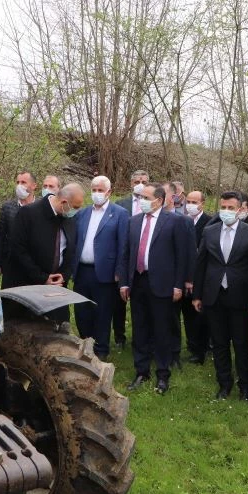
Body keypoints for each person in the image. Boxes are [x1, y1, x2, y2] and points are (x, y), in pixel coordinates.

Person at [193, 191, 248, 402]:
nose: (226, 211)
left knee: (243, 344)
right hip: (214, 296)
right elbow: (201, 263)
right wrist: (197, 295)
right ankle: (224, 384)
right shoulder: (210, 231)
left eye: (231, 208)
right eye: (223, 207)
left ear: (241, 209)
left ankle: (245, 387)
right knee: (220, 343)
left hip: (241, 299)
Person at [119, 183, 186, 395]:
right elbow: (127, 253)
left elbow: (181, 256)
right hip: (138, 281)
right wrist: (124, 282)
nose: (141, 200)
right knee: (140, 328)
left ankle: (163, 374)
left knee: (161, 330)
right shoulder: (134, 221)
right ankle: (141, 371)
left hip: (163, 283)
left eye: (145, 197)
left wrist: (178, 284)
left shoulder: (174, 221)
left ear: (158, 200)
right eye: (140, 197)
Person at [72, 176, 129, 359]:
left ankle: (101, 350)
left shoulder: (119, 213)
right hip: (82, 271)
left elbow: (123, 245)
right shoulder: (83, 213)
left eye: (100, 190)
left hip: (105, 273)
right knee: (82, 312)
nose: (96, 193)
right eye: (94, 189)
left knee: (103, 313)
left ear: (109, 192)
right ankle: (85, 346)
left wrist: (119, 271)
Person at [9, 183, 84, 321]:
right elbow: (18, 250)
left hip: (58, 288)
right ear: (64, 202)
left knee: (59, 331)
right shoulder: (29, 213)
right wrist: (42, 277)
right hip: (30, 286)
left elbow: (70, 250)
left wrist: (64, 275)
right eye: (76, 207)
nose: (77, 211)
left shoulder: (68, 217)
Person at [112, 169, 149, 348]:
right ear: (131, 184)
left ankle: (142, 337)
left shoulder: (153, 204)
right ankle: (120, 336)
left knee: (142, 303)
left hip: (144, 259)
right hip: (125, 256)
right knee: (120, 299)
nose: (140, 184)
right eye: (136, 182)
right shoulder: (121, 205)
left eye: (143, 181)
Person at [163, 182, 196, 369]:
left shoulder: (184, 221)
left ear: (173, 197)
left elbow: (190, 252)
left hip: (174, 278)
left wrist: (188, 279)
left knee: (173, 318)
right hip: (155, 277)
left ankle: (174, 354)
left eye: (164, 193)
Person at [182, 190, 212, 364]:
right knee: (187, 314)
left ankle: (203, 347)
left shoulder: (209, 223)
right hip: (184, 275)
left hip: (200, 277)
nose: (191, 205)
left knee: (199, 315)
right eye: (189, 201)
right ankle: (192, 346)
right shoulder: (183, 221)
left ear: (202, 204)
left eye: (195, 202)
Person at [0, 171, 39, 288]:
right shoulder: (7, 207)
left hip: (36, 266)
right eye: (18, 182)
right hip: (11, 265)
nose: (19, 185)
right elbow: (0, 235)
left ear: (34, 185)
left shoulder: (41, 206)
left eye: (24, 182)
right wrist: (0, 263)